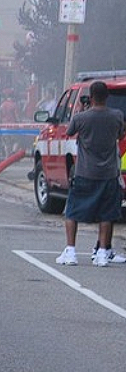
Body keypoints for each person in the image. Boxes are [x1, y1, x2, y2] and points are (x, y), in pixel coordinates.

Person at [55, 81, 125, 267]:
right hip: (108, 173)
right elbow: (120, 135)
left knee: (72, 212)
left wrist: (81, 110)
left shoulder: (81, 118)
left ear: (91, 97)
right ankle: (102, 252)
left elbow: (70, 132)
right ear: (107, 96)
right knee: (106, 214)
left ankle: (71, 251)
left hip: (85, 172)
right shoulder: (117, 116)